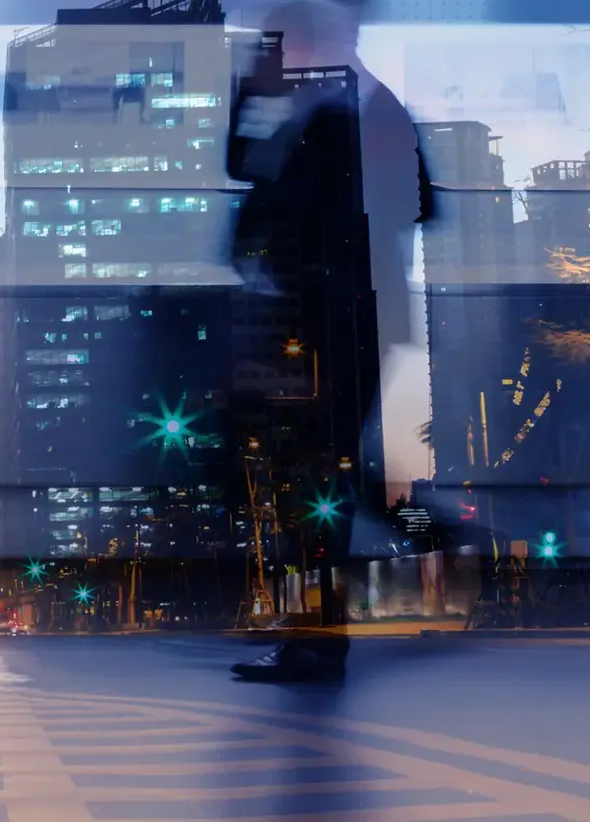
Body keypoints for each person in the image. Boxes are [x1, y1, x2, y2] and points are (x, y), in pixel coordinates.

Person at [225, 0, 434, 681]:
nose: (270, 52)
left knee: (320, 481)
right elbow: (243, 167)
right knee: (325, 477)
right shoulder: (329, 111)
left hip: (344, 322)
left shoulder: (362, 112)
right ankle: (321, 628)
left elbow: (415, 202)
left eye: (276, 42)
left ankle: (317, 638)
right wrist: (254, 92)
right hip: (326, 324)